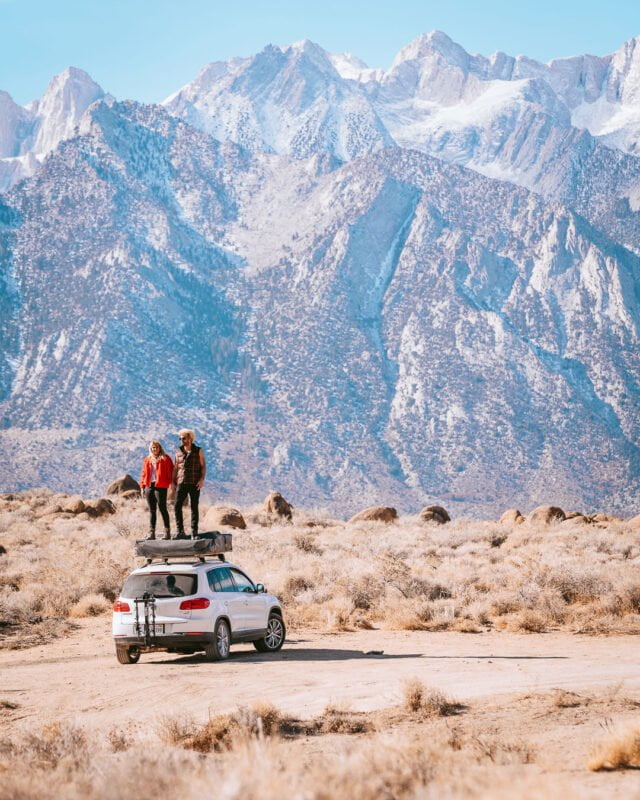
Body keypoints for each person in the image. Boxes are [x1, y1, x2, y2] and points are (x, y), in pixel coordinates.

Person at [173, 428, 206, 539]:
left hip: (194, 482)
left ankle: (194, 532)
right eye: (180, 438)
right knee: (177, 506)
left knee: (194, 507)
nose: (182, 440)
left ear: (190, 438)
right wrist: (173, 482)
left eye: (184, 438)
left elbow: (203, 466)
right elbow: (176, 467)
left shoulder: (198, 450)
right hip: (181, 482)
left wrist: (201, 479)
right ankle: (180, 531)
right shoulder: (178, 451)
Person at [140, 440, 174, 540]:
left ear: (160, 448)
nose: (154, 449)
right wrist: (142, 487)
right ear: (150, 449)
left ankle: (167, 532)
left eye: (156, 447)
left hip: (161, 486)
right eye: (152, 447)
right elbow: (143, 474)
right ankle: (152, 533)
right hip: (149, 486)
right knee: (152, 510)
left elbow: (171, 471)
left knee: (163, 508)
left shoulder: (165, 458)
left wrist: (171, 483)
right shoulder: (147, 460)